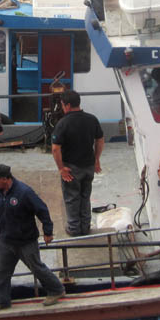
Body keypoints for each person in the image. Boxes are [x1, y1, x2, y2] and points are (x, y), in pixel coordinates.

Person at [0, 163, 64, 312]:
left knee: (36, 267)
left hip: (26, 240)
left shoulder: (24, 192)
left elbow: (42, 210)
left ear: (5, 179)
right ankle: (2, 300)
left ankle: (56, 289)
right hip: (5, 239)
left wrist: (48, 232)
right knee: (1, 271)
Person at [51, 89, 104, 237]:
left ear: (67, 105)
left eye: (62, 104)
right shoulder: (92, 119)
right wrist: (96, 160)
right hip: (88, 166)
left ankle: (74, 229)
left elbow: (55, 149)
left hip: (71, 169)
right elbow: (100, 140)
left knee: (72, 198)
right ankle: (85, 227)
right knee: (85, 197)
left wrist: (61, 168)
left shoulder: (63, 123)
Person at [42, 80, 67, 152]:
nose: (58, 90)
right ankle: (50, 144)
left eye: (60, 88)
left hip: (63, 117)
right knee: (52, 125)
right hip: (55, 118)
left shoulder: (64, 97)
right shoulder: (52, 97)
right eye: (57, 89)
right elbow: (53, 110)